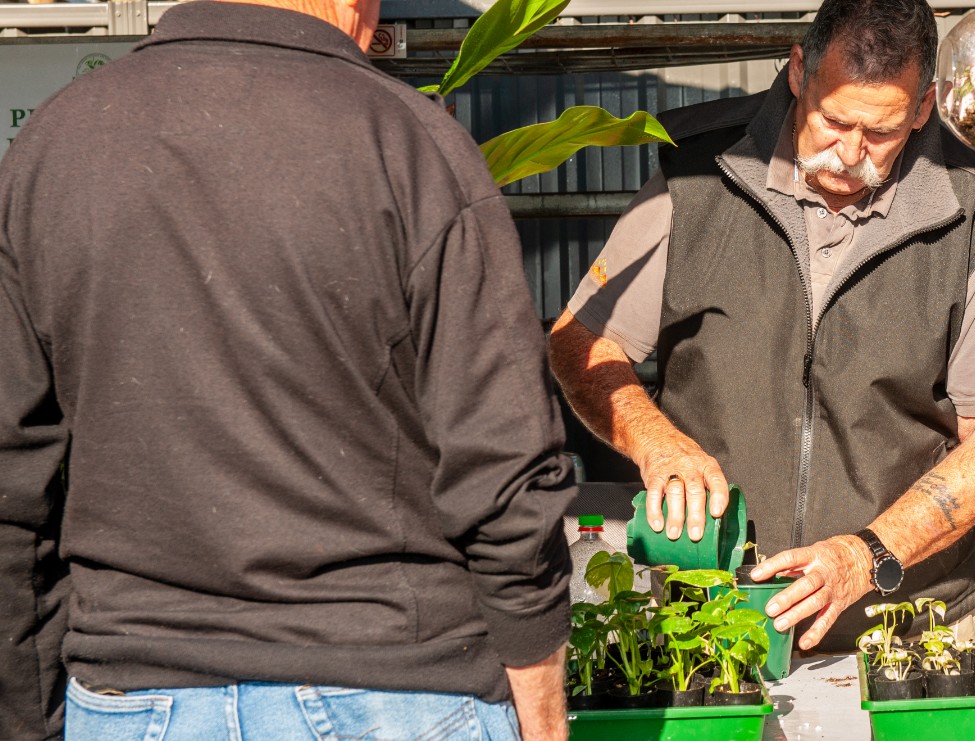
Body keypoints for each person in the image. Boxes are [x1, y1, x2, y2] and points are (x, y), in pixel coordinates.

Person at [0, 1, 575, 739]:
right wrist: (545, 717)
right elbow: (505, 468)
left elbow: (14, 476)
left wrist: (33, 717)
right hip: (392, 688)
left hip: (134, 690)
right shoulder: (410, 143)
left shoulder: (55, 142)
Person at [549, 0, 975, 653]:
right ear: (797, 71)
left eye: (882, 133)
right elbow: (580, 337)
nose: (851, 155)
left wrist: (869, 553)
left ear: (924, 108)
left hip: (908, 628)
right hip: (713, 614)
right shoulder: (697, 173)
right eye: (833, 120)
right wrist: (656, 444)